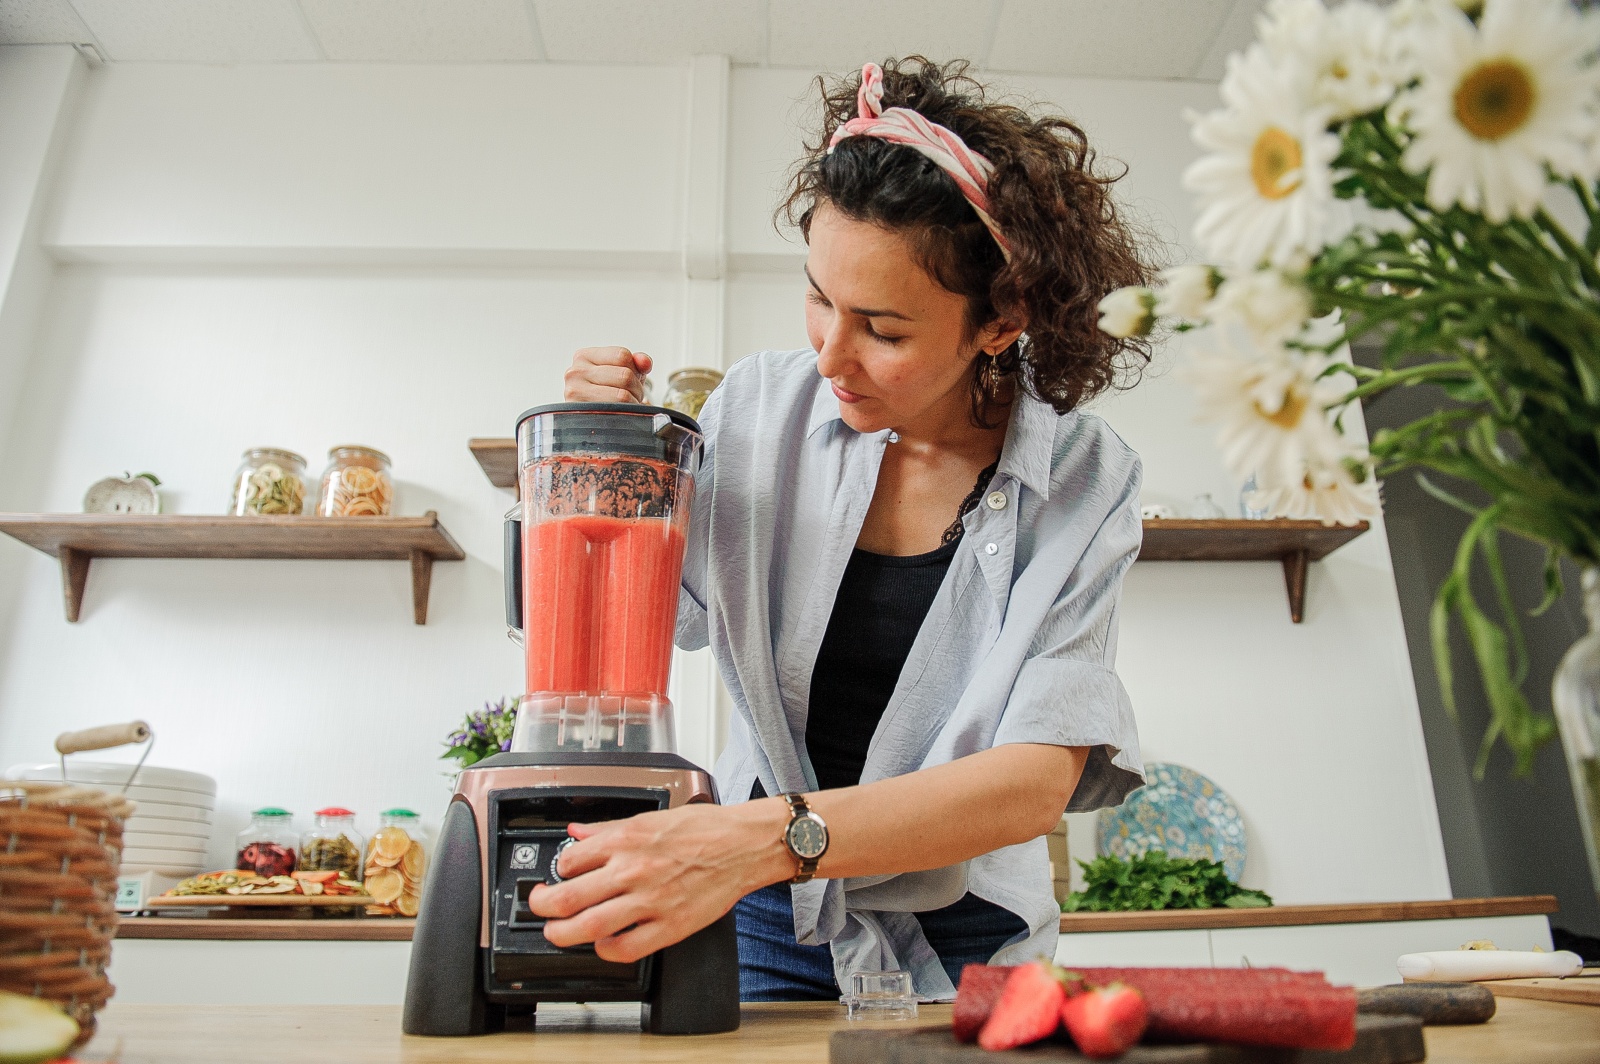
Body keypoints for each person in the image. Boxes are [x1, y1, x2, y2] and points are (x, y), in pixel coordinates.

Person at [529, 56, 1152, 1002]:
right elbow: (636, 622)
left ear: (1002, 317)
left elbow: (1033, 781)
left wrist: (756, 840)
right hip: (758, 917)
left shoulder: (1084, 479)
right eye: (819, 295)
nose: (830, 356)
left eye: (883, 329)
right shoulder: (752, 412)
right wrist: (603, 465)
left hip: (967, 935)